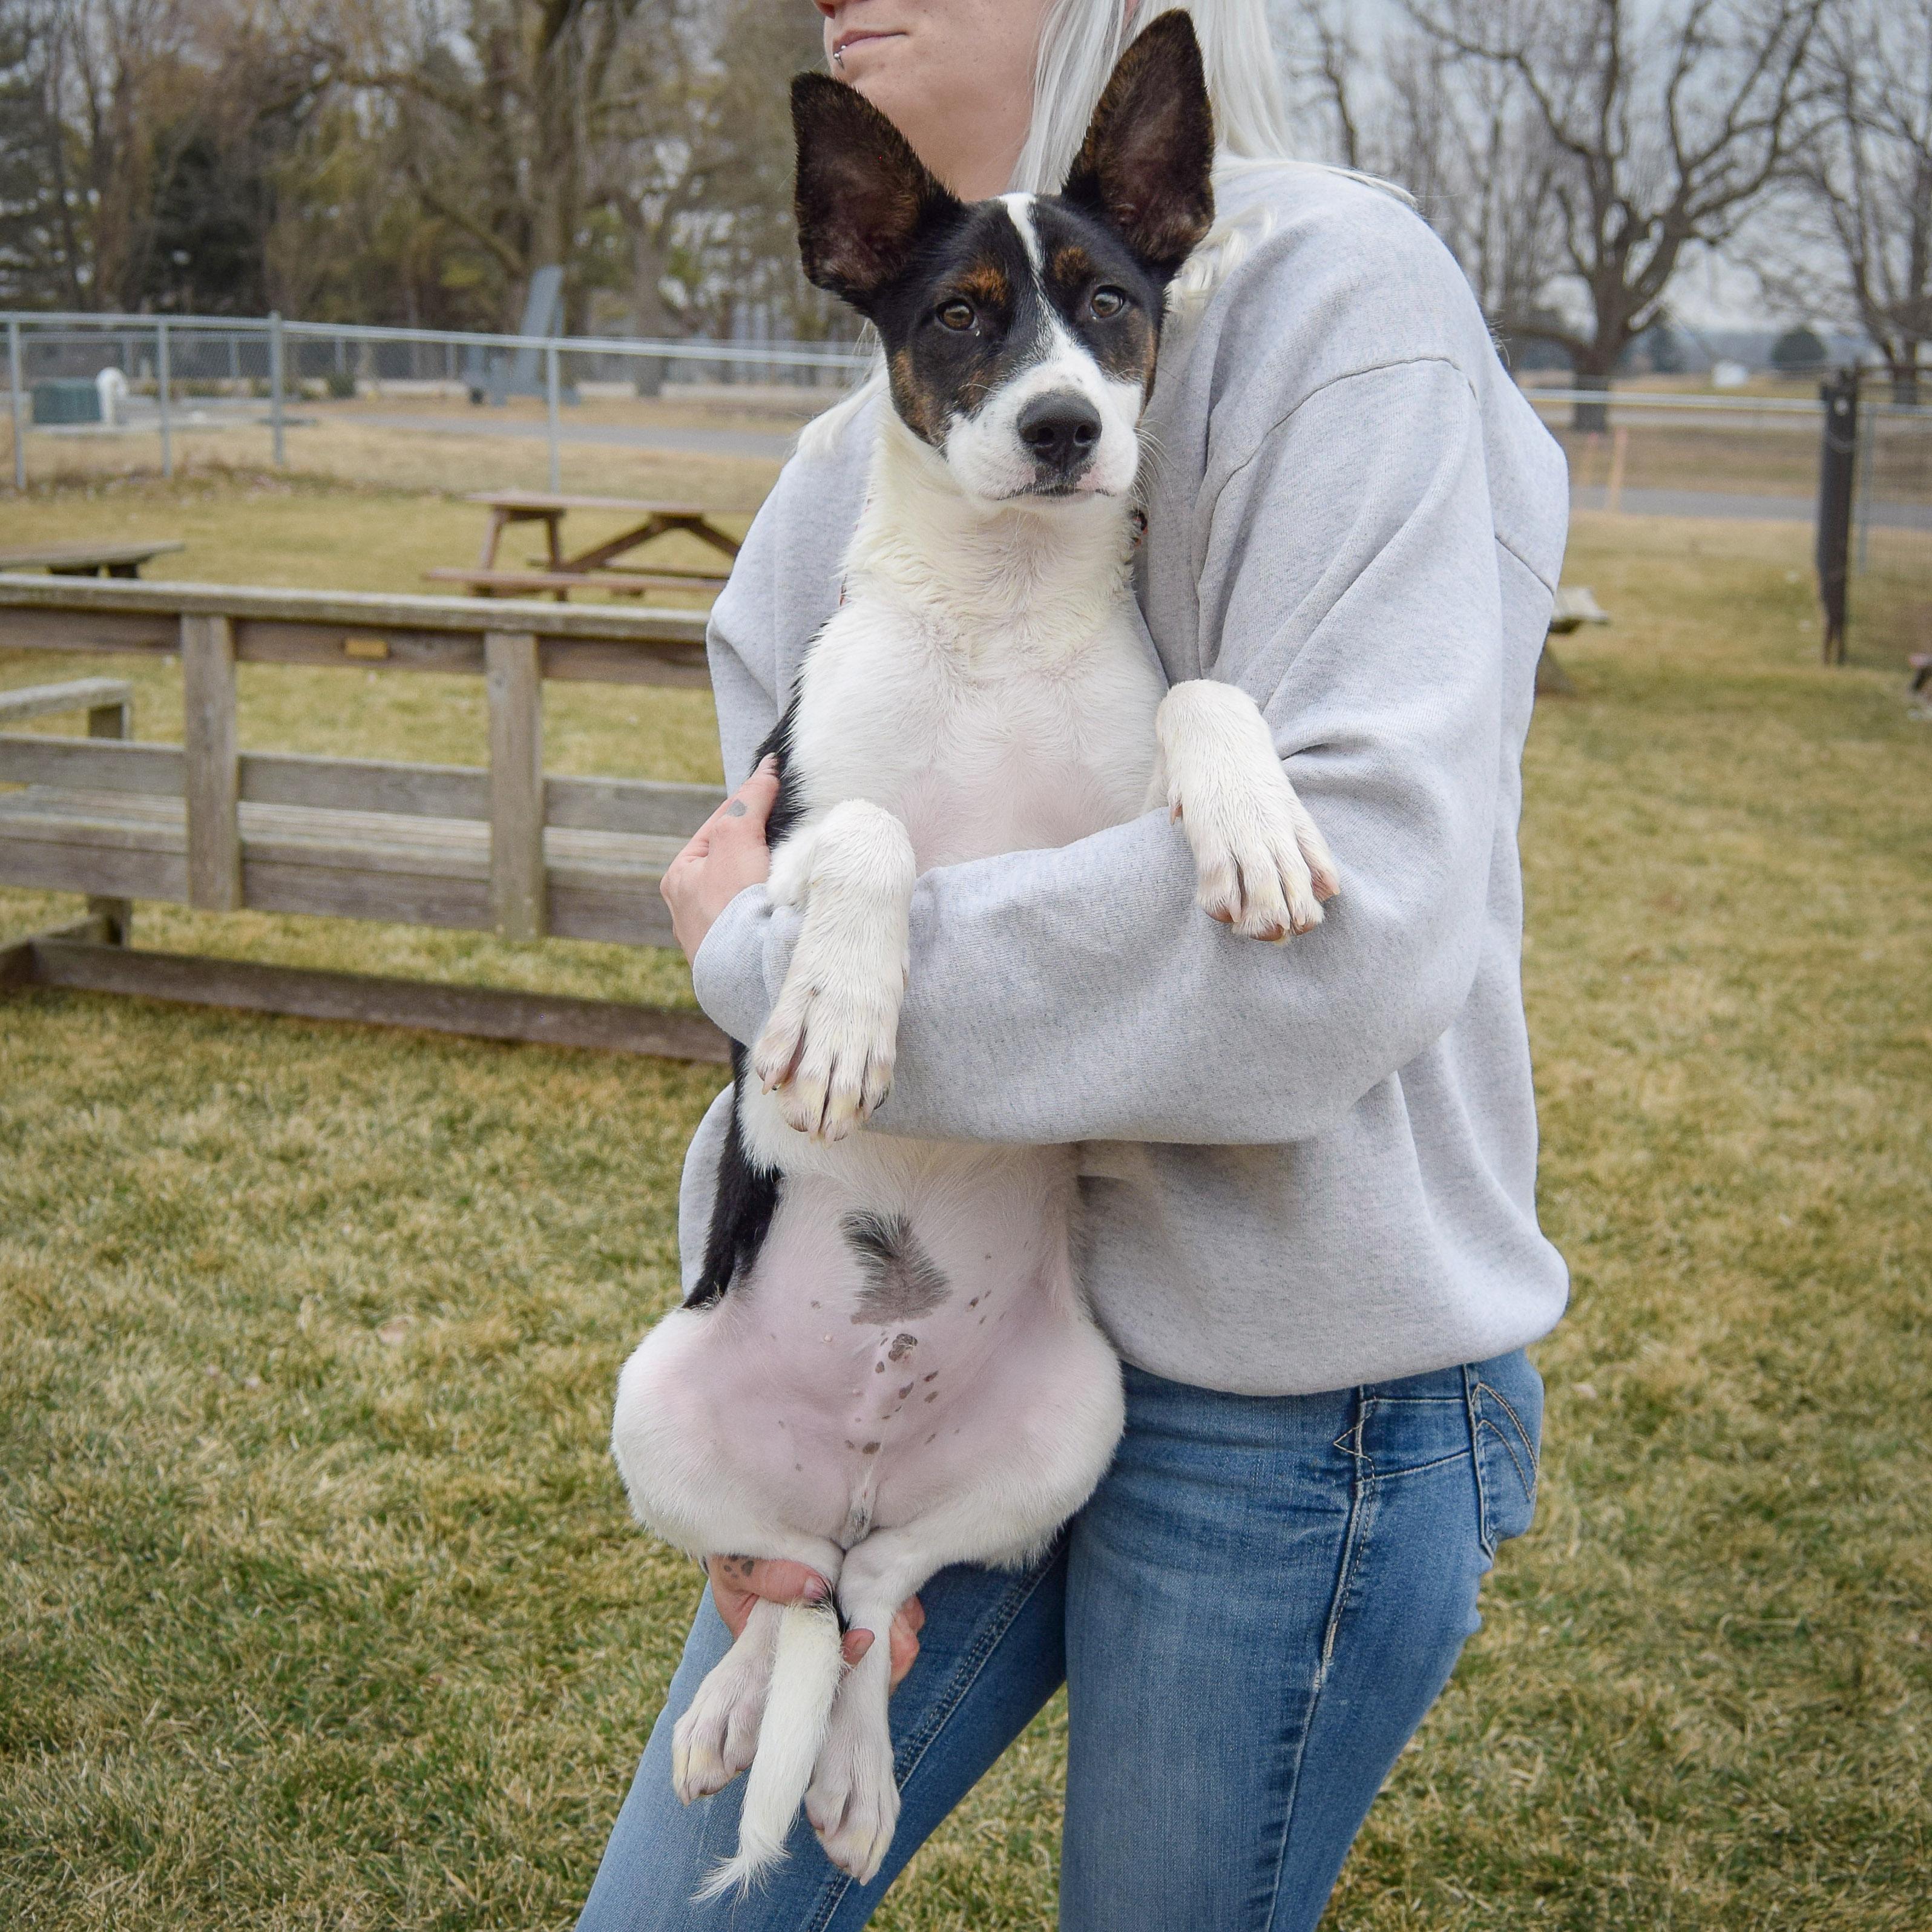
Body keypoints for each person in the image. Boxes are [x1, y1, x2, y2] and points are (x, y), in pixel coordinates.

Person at [577, 1, 1568, 1925]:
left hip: (1295, 1382)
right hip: (950, 1327)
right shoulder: (838, 476)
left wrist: (769, 960)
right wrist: (770, 1361)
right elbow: (800, 1005)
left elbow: (1339, 933)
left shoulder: (1340, 298)